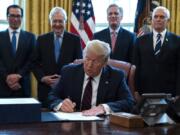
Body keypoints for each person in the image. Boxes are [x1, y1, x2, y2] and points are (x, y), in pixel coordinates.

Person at [48, 39, 135, 116]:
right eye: (87, 59)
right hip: (73, 122)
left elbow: (129, 102)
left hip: (102, 125)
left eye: (95, 61)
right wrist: (60, 104)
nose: (89, 65)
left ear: (104, 63)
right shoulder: (69, 72)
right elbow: (52, 96)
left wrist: (104, 108)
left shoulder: (116, 76)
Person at [32, 7, 82, 108]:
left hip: (67, 91)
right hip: (45, 89)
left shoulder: (75, 40)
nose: (57, 24)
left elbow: (79, 64)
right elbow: (34, 63)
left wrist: (64, 79)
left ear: (65, 22)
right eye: (54, 21)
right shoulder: (41, 39)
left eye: (60, 21)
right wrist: (42, 78)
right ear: (50, 21)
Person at [133, 6, 180, 97]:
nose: (158, 19)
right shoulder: (140, 41)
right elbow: (136, 67)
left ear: (168, 21)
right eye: (156, 16)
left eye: (162, 17)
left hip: (170, 92)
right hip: (145, 90)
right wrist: (135, 90)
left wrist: (178, 93)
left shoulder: (177, 41)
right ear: (152, 20)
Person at [0, 5, 36, 97]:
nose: (15, 19)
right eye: (12, 15)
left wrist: (19, 75)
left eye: (18, 16)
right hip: (2, 87)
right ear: (7, 17)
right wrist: (7, 77)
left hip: (22, 87)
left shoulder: (31, 37)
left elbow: (32, 60)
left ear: (22, 18)